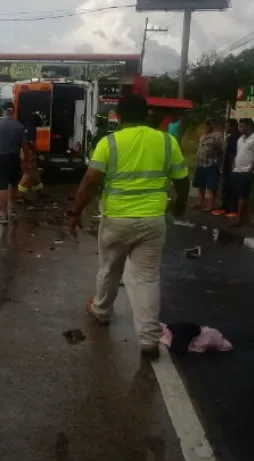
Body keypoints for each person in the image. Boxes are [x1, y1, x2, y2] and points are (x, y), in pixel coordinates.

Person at [67, 94, 190, 359]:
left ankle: (101, 311)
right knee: (147, 278)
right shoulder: (167, 141)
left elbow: (90, 181)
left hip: (117, 220)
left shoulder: (109, 142)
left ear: (119, 117)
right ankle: (148, 339)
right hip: (153, 220)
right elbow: (182, 178)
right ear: (147, 115)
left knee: (110, 268)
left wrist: (74, 212)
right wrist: (180, 205)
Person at [0, 105, 27, 224]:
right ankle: (13, 211)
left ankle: (5, 215)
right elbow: (25, 146)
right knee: (14, 185)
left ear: (3, 112)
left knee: (2, 187)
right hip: (14, 159)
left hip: (1, 159)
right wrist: (25, 160)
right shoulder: (19, 126)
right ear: (13, 112)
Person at [228, 118, 254, 227]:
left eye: (242, 126)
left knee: (243, 196)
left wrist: (251, 170)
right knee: (239, 195)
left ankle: (239, 219)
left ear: (249, 126)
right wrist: (234, 165)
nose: (240, 128)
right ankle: (245, 216)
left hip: (247, 171)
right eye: (239, 126)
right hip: (237, 170)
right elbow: (239, 153)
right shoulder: (240, 139)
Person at [191, 118, 223, 212]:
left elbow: (221, 150)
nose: (207, 126)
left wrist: (215, 146)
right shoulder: (202, 136)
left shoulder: (217, 136)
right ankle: (201, 202)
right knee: (201, 184)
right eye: (206, 124)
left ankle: (211, 205)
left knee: (211, 186)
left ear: (213, 125)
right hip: (201, 163)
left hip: (211, 164)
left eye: (209, 124)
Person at [212, 118, 240, 216]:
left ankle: (232, 209)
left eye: (227, 126)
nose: (225, 128)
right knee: (225, 187)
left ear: (233, 126)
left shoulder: (236, 137)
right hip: (226, 164)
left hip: (232, 165)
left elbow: (235, 153)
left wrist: (232, 166)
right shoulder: (230, 136)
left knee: (231, 188)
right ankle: (225, 207)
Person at [17, 113, 46, 201]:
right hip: (29, 152)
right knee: (28, 174)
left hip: (22, 151)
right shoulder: (32, 128)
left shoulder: (23, 126)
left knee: (35, 173)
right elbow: (32, 143)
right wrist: (39, 154)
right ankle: (20, 195)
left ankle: (39, 193)